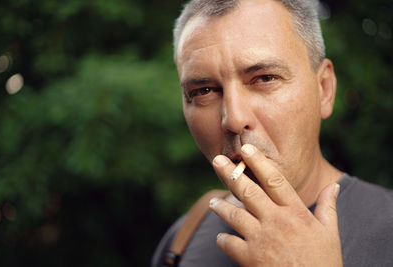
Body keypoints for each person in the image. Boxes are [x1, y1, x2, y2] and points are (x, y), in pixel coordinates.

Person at [152, 0, 393, 266]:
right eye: (204, 91)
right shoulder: (184, 238)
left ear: (324, 89)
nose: (233, 119)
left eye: (265, 78)